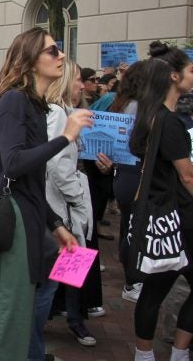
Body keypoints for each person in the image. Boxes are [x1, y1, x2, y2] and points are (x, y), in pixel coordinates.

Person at [0, 27, 90, 360]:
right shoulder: (13, 101)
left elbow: (32, 184)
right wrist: (64, 138)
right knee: (8, 321)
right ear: (30, 60)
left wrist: (56, 225)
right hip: (14, 230)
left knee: (19, 320)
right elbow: (12, 165)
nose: (62, 56)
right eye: (52, 51)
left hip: (30, 223)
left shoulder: (35, 106)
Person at [129, 42, 193, 361]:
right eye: (190, 70)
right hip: (179, 217)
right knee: (155, 290)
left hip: (159, 216)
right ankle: (179, 353)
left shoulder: (148, 117)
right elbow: (187, 177)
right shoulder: (169, 122)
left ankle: (146, 355)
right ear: (173, 77)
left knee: (153, 290)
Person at [44, 61, 97, 350]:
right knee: (68, 260)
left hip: (65, 203)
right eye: (77, 79)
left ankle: (68, 315)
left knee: (71, 263)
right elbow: (57, 164)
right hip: (61, 204)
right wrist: (77, 196)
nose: (82, 84)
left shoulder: (64, 112)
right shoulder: (56, 114)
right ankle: (72, 319)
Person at [109, 61, 149, 303]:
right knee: (79, 241)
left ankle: (77, 307)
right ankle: (70, 306)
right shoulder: (135, 107)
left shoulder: (124, 105)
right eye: (79, 81)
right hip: (76, 191)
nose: (83, 86)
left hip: (107, 178)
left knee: (82, 239)